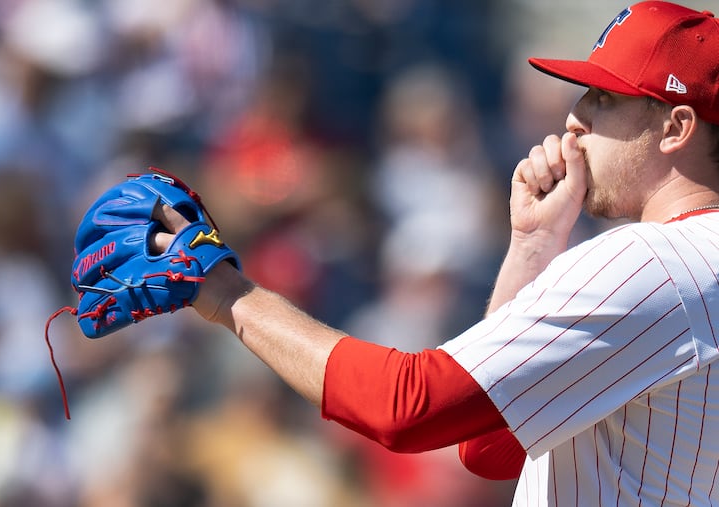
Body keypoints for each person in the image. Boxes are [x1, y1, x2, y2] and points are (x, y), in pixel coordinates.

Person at [151, 2, 719, 505]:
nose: (575, 119)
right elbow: (489, 445)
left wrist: (225, 292)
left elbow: (407, 406)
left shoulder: (656, 263)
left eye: (603, 99)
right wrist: (534, 245)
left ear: (676, 126)